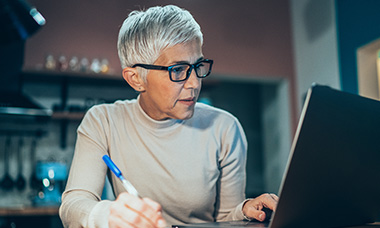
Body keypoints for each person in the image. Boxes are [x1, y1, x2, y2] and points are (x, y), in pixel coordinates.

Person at [59, 4, 278, 228]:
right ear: (135, 78)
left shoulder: (224, 128)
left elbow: (223, 221)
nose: (194, 83)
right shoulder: (103, 121)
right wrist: (108, 215)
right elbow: (73, 205)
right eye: (178, 70)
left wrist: (244, 210)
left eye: (198, 66)